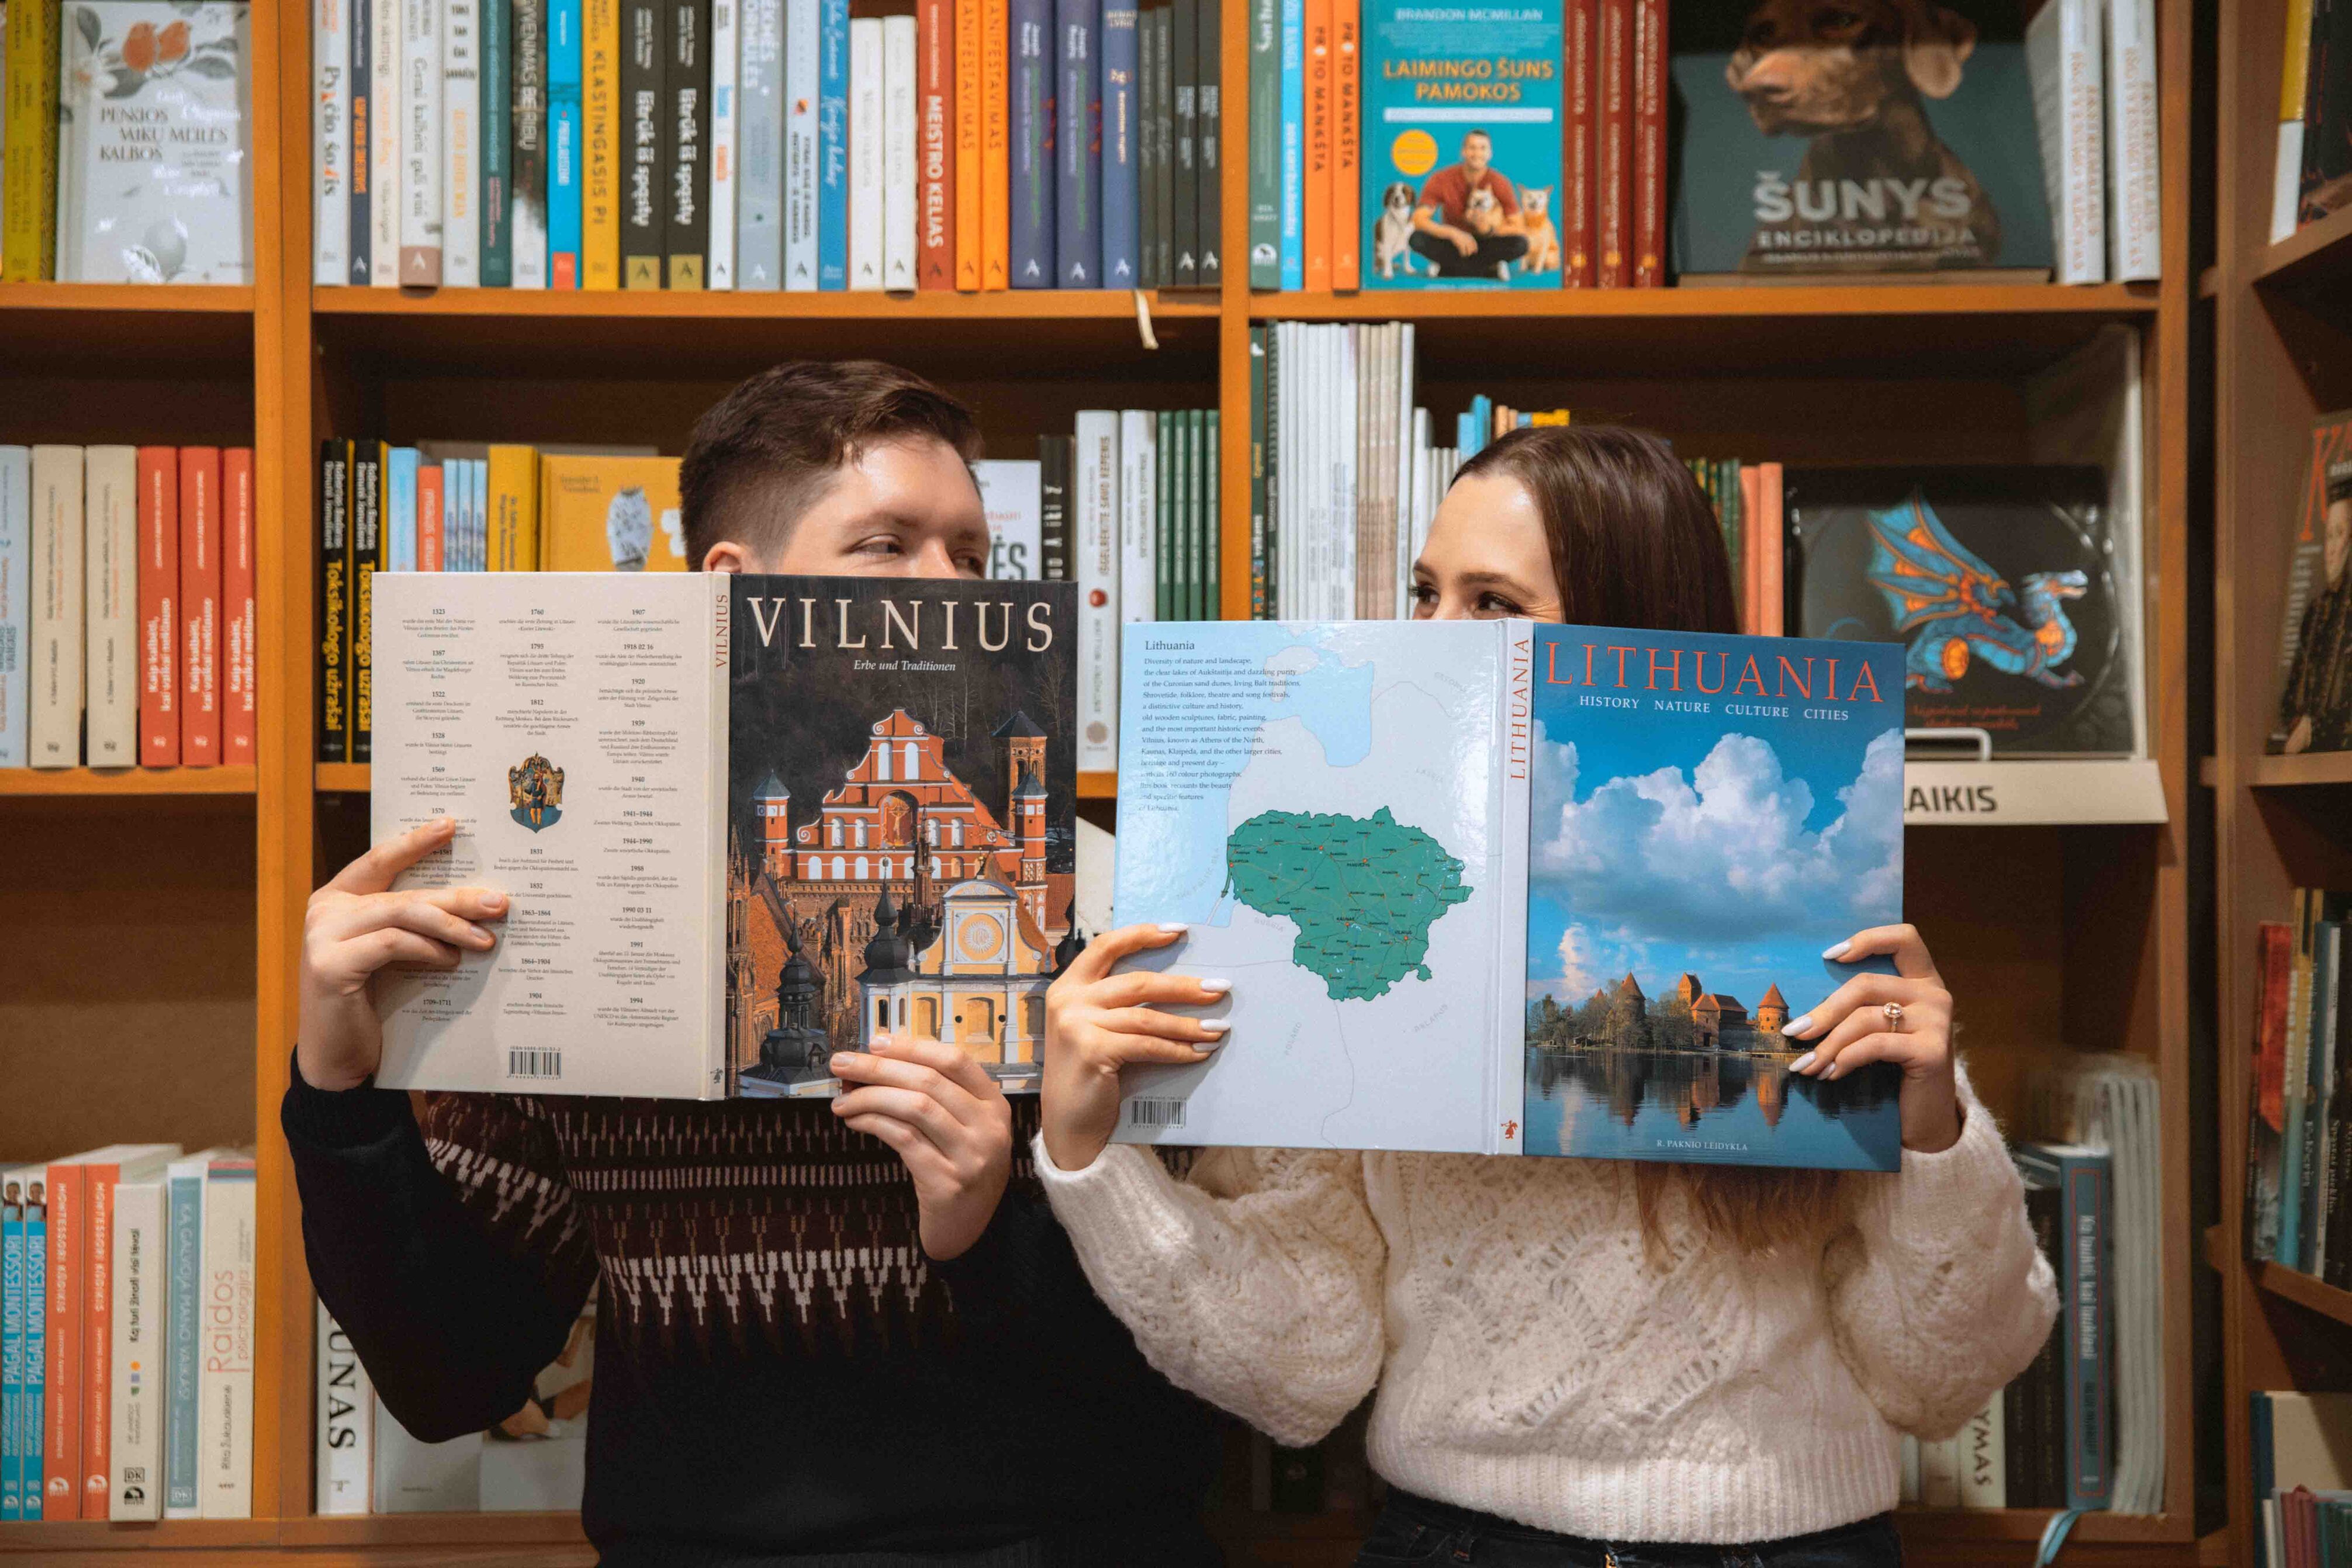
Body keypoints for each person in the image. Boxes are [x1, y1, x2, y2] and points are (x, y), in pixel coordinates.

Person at [1035, 424, 2060, 1568]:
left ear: (1630, 645)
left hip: (1791, 1541)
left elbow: (1945, 1375)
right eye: (1424, 593)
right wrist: (1091, 1165)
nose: (1429, 637)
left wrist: (1933, 1133)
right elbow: (1302, 1370)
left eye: (1493, 606)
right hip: (1462, 1543)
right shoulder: (1355, 935)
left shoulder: (1788, 913)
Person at [286, 360, 1220, 1567]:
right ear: (732, 592)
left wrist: (998, 1227)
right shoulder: (582, 916)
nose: (950, 593)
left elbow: (1202, 1375)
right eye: (887, 547)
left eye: (972, 556)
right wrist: (340, 1086)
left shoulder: (1101, 907)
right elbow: (450, 1371)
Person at [2278, 459, 2352, 754]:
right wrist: (2300, 723)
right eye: (2328, 536)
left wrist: (2317, 729)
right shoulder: (2316, 612)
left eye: (2339, 535)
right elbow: (2290, 701)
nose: (2331, 549)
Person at [1409, 130, 1532, 280]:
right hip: (1452, 243)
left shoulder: (1500, 182)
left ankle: (1447, 269)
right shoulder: (1441, 178)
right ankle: (1489, 269)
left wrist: (1488, 230)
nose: (1477, 153)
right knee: (1416, 239)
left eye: (1483, 148)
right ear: (1463, 152)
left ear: (1490, 153)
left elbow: (1519, 227)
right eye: (1472, 148)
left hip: (1487, 243)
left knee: (1521, 244)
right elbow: (1418, 219)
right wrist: (1453, 234)